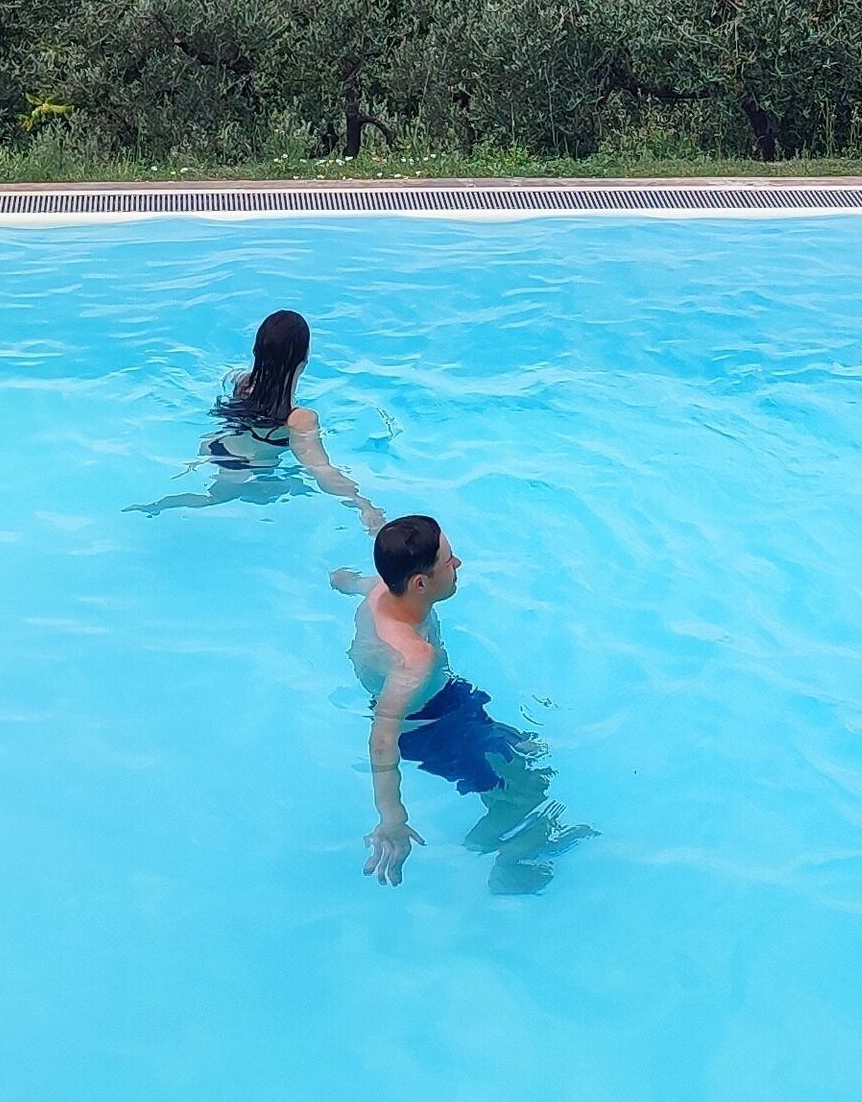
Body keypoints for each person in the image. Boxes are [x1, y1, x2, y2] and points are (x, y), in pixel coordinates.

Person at [337, 512, 585, 891]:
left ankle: (500, 828)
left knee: (525, 757)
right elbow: (382, 736)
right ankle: (506, 867)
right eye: (448, 561)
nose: (458, 565)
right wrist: (392, 816)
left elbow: (351, 582)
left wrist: (340, 580)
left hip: (444, 700)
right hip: (430, 727)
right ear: (420, 583)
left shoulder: (379, 590)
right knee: (528, 790)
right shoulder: (414, 656)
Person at [132, 309, 378, 526]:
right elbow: (321, 470)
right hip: (242, 465)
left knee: (238, 490)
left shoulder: (243, 382)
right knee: (219, 499)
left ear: (257, 350)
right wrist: (362, 503)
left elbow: (230, 377)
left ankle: (155, 506)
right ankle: (159, 508)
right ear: (305, 358)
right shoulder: (299, 418)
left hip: (214, 444)